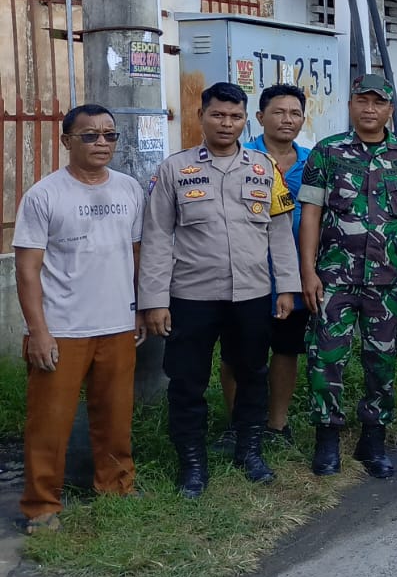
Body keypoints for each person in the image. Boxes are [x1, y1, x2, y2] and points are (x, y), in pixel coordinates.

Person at [141, 82, 297, 497]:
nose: (226, 124)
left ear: (246, 120)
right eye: (218, 115)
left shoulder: (265, 167)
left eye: (234, 117)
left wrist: (287, 287)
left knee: (252, 374)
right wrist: (154, 301)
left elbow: (280, 233)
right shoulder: (175, 169)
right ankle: (192, 464)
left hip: (252, 294)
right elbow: (156, 237)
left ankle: (249, 450)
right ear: (201, 117)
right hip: (192, 296)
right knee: (186, 381)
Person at [15, 105, 145, 534]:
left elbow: (137, 253)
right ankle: (41, 506)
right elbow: (27, 268)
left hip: (117, 325)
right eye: (89, 136)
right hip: (63, 329)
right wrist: (38, 331)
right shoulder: (45, 195)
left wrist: (140, 308)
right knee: (49, 424)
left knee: (115, 416)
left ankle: (117, 487)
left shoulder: (129, 190)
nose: (101, 144)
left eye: (109, 135)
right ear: (66, 140)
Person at [299, 74, 397, 478]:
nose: (369, 109)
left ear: (390, 109)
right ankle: (328, 438)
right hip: (334, 277)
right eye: (362, 101)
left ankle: (372, 440)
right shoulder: (326, 153)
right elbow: (311, 215)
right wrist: (307, 271)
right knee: (326, 359)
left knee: (383, 361)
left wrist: (384, 241)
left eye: (378, 102)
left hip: (387, 280)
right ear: (351, 105)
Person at [225, 84, 311, 447]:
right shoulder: (240, 157)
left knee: (286, 348)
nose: (287, 119)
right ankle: (237, 425)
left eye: (294, 113)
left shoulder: (314, 162)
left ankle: (276, 425)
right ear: (259, 118)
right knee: (236, 351)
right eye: (278, 112)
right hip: (245, 274)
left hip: (295, 276)